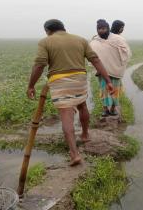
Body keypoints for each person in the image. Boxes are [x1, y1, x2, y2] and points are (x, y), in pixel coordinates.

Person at [27, 19, 114, 166]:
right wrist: (108, 81)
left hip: (60, 82)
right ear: (63, 28)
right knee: (82, 106)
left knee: (66, 116)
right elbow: (95, 60)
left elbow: (40, 64)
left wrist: (31, 85)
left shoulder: (45, 42)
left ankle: (74, 154)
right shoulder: (80, 40)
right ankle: (85, 134)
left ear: (47, 30)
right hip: (80, 78)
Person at [90, 19, 131, 117]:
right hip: (102, 71)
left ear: (108, 29)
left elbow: (126, 52)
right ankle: (105, 109)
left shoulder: (118, 39)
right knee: (103, 90)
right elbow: (92, 54)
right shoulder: (95, 40)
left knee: (115, 90)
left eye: (103, 28)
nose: (101, 31)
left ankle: (113, 109)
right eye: (99, 29)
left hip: (115, 69)